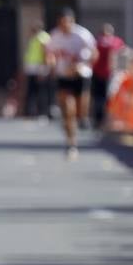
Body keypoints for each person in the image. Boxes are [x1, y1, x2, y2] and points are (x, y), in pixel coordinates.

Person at [47, 9, 96, 158]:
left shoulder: (82, 35)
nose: (64, 26)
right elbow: (49, 55)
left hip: (81, 75)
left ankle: (84, 118)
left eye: (66, 23)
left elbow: (94, 53)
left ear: (72, 22)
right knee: (69, 110)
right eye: (61, 23)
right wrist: (52, 66)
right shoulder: (55, 36)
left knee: (81, 110)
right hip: (64, 76)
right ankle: (71, 142)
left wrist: (83, 65)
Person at [90, 23, 125, 128]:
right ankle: (102, 119)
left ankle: (99, 119)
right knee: (104, 98)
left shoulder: (97, 42)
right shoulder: (114, 42)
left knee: (99, 98)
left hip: (102, 73)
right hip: (106, 74)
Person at [21, 23, 51, 118]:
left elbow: (45, 52)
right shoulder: (35, 37)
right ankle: (31, 112)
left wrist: (43, 68)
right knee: (31, 91)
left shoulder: (42, 37)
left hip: (39, 68)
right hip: (32, 69)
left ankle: (42, 113)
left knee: (40, 91)